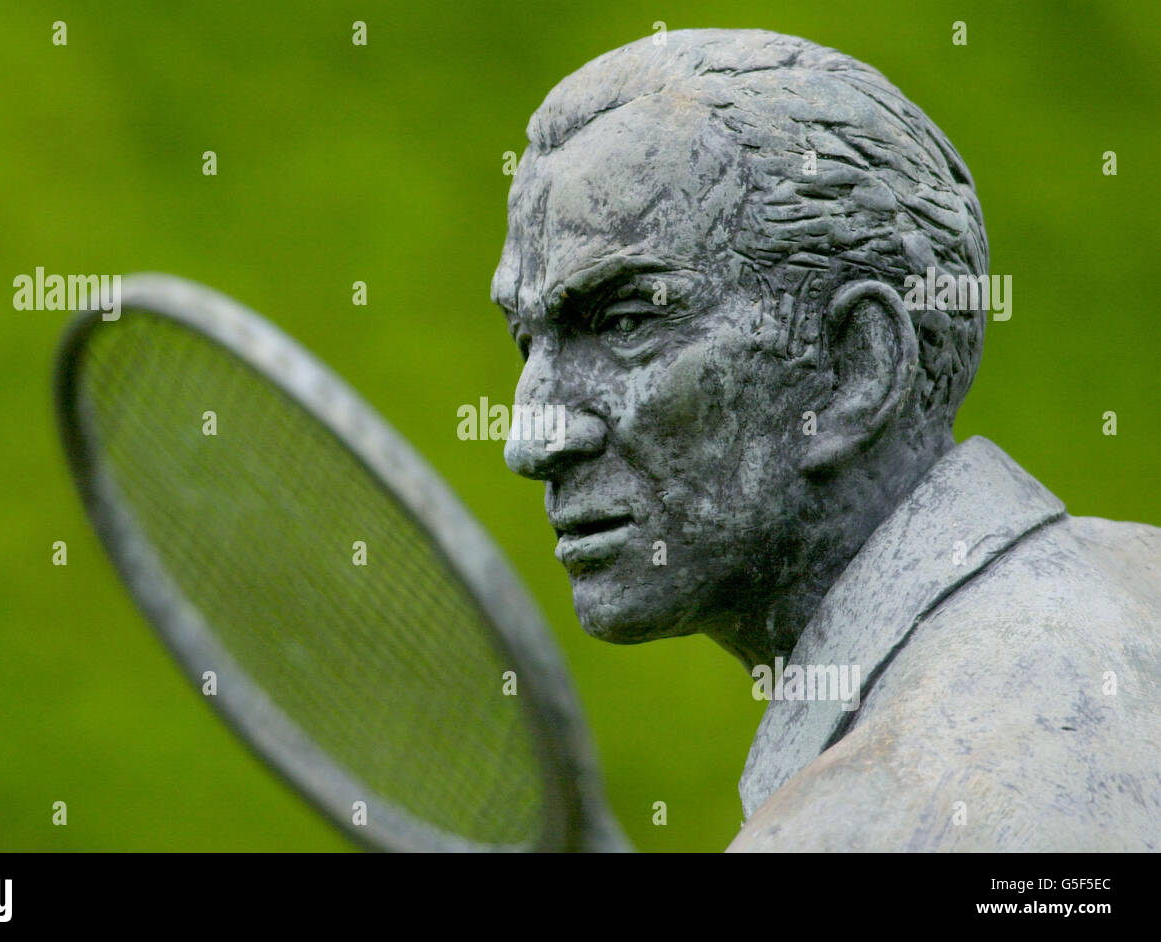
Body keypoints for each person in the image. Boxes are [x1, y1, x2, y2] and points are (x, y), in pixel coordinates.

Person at [491, 28, 1161, 851]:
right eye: (528, 344)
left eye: (626, 321)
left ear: (855, 369)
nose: (530, 442)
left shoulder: (847, 828)